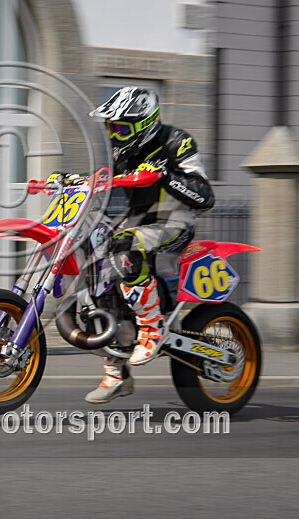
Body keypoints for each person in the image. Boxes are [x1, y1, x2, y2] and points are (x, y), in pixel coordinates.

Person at [84, 86, 215, 404]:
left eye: (121, 127)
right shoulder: (121, 150)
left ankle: (153, 329)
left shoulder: (177, 141)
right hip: (138, 221)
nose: (114, 133)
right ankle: (117, 369)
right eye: (110, 126)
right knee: (93, 263)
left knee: (126, 249)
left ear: (143, 123)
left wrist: (164, 175)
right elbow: (105, 184)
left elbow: (205, 195)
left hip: (175, 224)